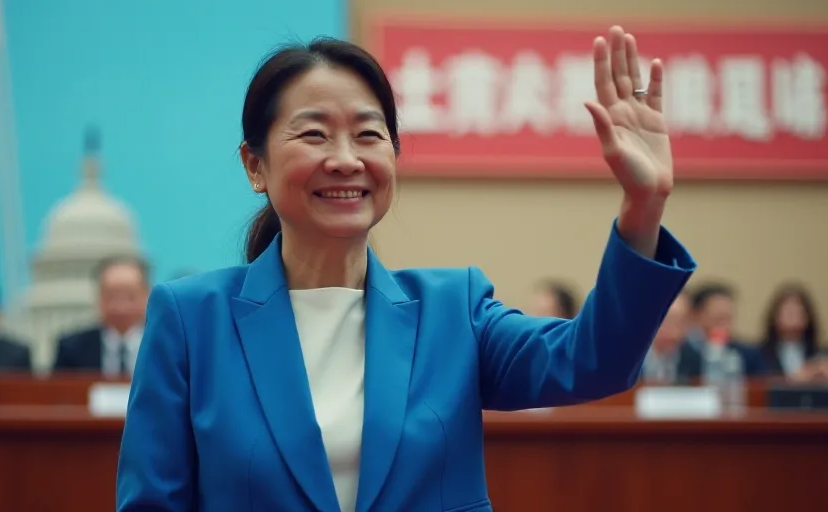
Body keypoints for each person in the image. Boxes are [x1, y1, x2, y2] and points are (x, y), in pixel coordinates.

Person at [117, 27, 696, 512]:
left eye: (369, 134)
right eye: (314, 134)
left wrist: (643, 206)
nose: (346, 159)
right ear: (255, 165)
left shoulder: (454, 309)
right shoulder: (191, 320)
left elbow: (595, 362)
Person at [53, 256, 151, 377]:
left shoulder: (165, 346)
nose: (121, 306)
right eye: (111, 296)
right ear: (98, 297)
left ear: (146, 295)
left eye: (130, 297)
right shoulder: (72, 349)